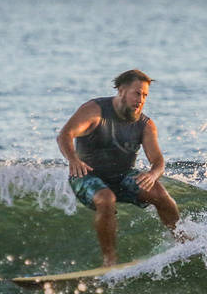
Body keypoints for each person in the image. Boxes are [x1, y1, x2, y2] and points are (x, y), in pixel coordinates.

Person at [57, 69, 180, 266]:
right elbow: (65, 135)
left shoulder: (145, 125)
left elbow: (158, 161)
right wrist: (73, 159)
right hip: (86, 175)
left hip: (122, 177)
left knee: (159, 193)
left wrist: (153, 174)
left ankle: (182, 241)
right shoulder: (95, 111)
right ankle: (110, 260)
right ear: (122, 90)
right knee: (106, 198)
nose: (141, 99)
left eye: (145, 95)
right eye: (137, 93)